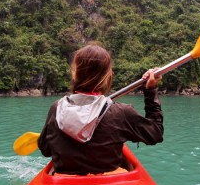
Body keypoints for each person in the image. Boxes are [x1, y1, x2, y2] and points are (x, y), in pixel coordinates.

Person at [38, 43, 163, 175]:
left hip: (64, 183)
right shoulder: (121, 113)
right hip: (110, 184)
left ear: (75, 74)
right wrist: (150, 91)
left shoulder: (56, 108)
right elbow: (155, 134)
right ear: (108, 75)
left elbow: (45, 150)